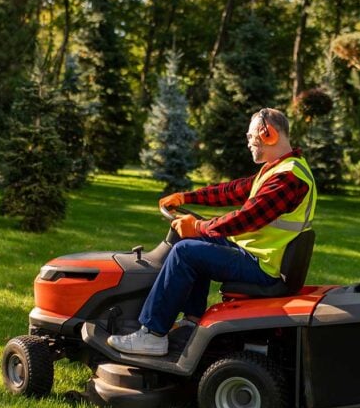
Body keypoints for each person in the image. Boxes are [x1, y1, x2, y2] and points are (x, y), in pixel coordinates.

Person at [107, 108, 317, 356]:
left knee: (185, 251)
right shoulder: (278, 167)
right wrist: (187, 197)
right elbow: (232, 191)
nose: (248, 143)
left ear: (268, 134)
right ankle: (191, 322)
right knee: (196, 242)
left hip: (264, 267)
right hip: (258, 255)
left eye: (251, 137)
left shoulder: (288, 178)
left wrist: (197, 226)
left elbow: (245, 219)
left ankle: (152, 334)